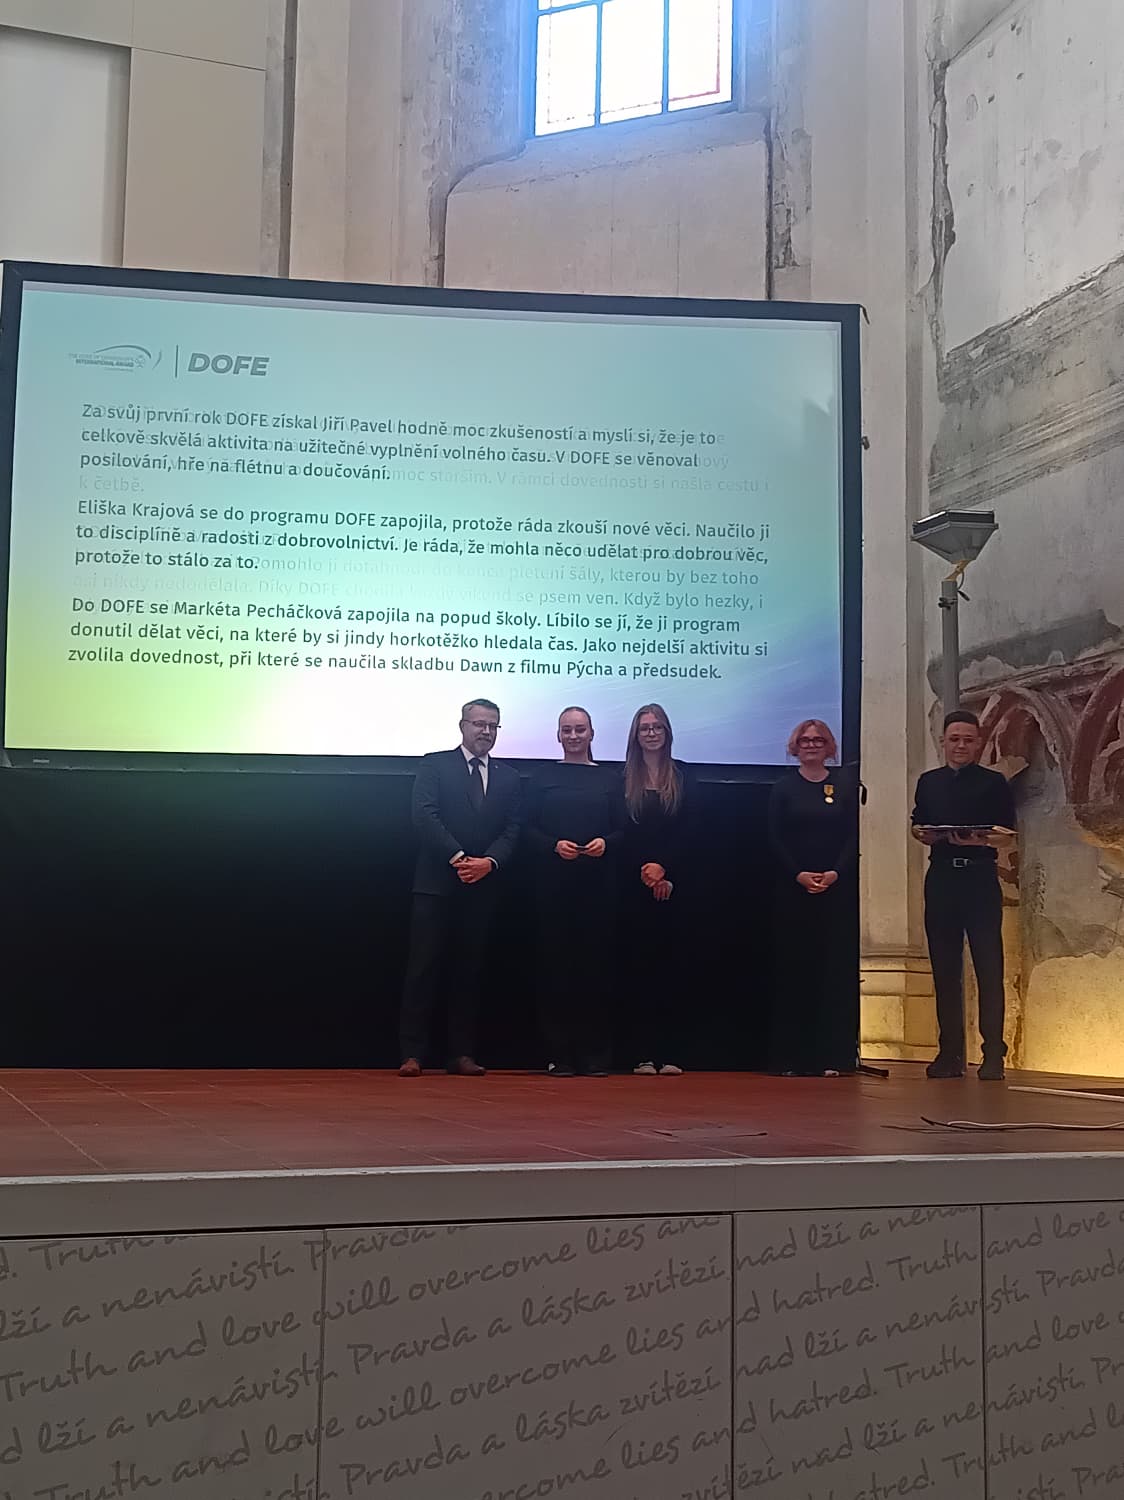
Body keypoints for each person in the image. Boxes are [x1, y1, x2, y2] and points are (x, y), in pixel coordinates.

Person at [398, 699, 521, 1077]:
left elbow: (513, 828)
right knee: (423, 969)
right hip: (436, 884)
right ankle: (413, 1053)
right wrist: (458, 857)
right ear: (462, 725)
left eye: (493, 725)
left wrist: (489, 862)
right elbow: (424, 815)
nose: (486, 731)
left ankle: (461, 1053)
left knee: (469, 972)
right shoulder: (435, 765)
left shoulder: (508, 777)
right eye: (479, 724)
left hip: (482, 885)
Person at [911, 709, 1016, 1082]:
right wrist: (927, 834)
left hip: (979, 877)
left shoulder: (993, 782)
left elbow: (1007, 834)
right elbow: (918, 826)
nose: (960, 746)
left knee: (989, 965)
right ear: (943, 742)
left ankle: (993, 1054)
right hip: (941, 877)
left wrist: (978, 839)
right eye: (954, 739)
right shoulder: (929, 782)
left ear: (978, 743)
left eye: (968, 740)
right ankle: (950, 1053)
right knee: (944, 968)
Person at [527, 706, 624, 1077]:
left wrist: (607, 843)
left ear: (592, 733)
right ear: (558, 735)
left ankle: (595, 1054)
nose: (573, 736)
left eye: (580, 729)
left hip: (598, 890)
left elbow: (625, 830)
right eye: (566, 730)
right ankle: (560, 1055)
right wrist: (552, 845)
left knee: (596, 970)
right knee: (555, 970)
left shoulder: (611, 779)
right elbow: (525, 828)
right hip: (553, 888)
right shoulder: (542, 777)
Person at [767, 719, 858, 1077]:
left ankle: (830, 1057)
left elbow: (852, 835)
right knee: (794, 972)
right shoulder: (783, 788)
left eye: (818, 740)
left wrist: (836, 872)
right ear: (795, 746)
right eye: (805, 740)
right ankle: (791, 1057)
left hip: (834, 892)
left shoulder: (844, 786)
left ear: (829, 746)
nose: (811, 744)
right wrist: (798, 874)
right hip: (793, 892)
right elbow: (774, 837)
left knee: (830, 973)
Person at [621, 704, 693, 1076]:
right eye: (644, 728)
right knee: (638, 970)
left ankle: (671, 1051)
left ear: (667, 732)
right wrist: (645, 870)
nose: (651, 733)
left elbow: (691, 831)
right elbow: (621, 831)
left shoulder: (683, 776)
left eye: (657, 727)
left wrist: (665, 868)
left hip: (674, 887)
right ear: (635, 735)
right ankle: (642, 1054)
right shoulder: (622, 778)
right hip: (632, 888)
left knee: (672, 970)